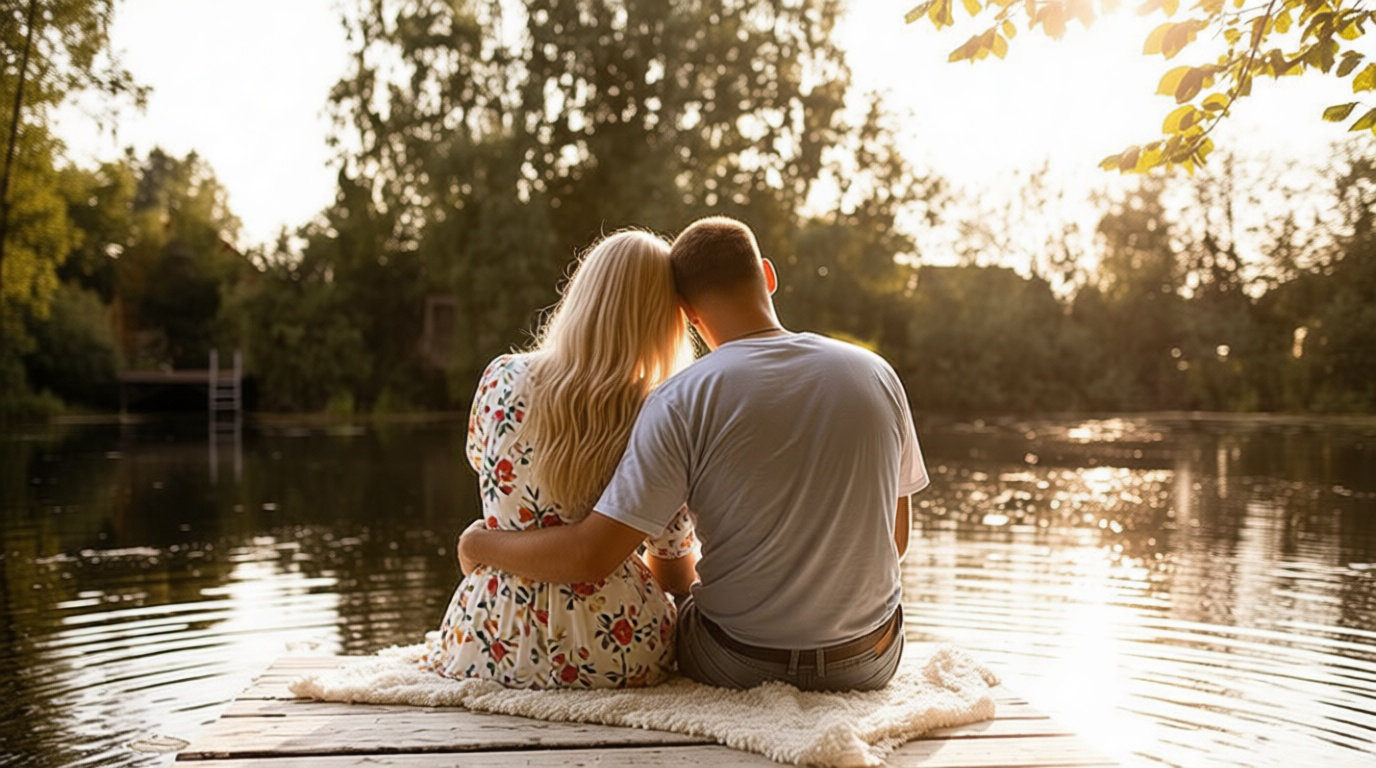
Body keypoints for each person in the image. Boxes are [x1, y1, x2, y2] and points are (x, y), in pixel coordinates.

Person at [459, 216, 928, 691]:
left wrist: (477, 544)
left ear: (685, 310)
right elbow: (895, 541)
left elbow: (594, 555)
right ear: (768, 275)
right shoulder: (877, 374)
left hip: (737, 662)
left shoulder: (680, 398)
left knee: (685, 604)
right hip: (868, 660)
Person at [426, 230, 699, 689]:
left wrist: (482, 544)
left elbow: (484, 469)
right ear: (666, 319)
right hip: (616, 652)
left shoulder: (500, 377)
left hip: (487, 642)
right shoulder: (657, 411)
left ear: (582, 295)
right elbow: (671, 565)